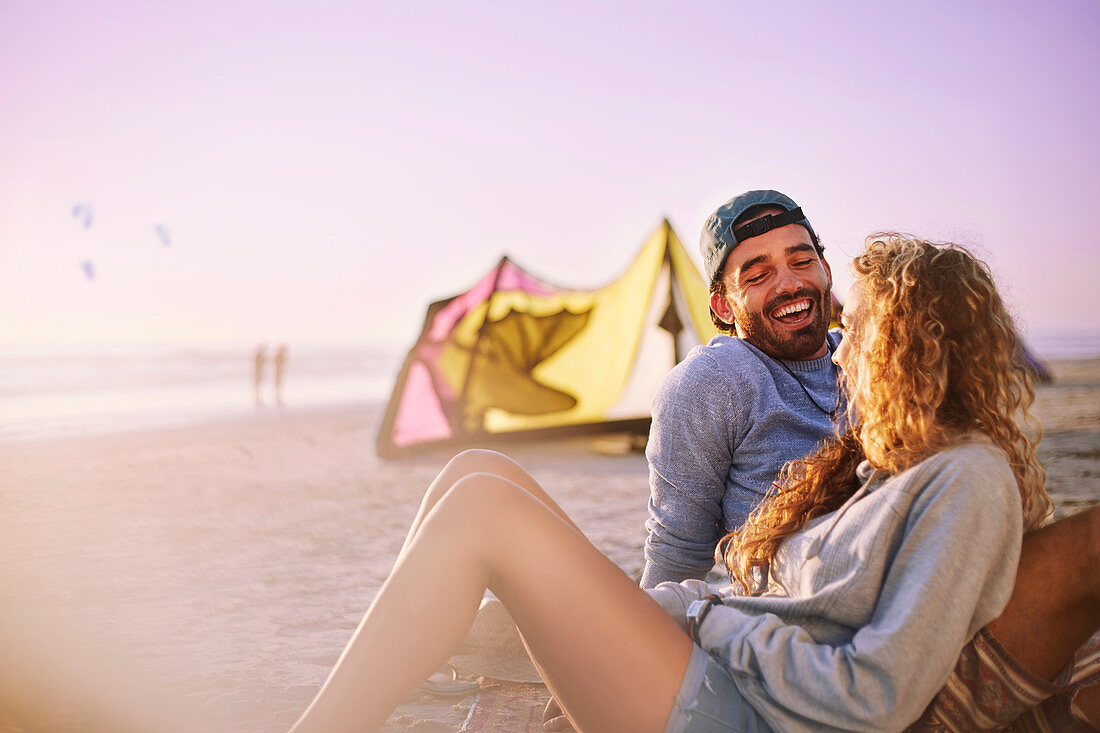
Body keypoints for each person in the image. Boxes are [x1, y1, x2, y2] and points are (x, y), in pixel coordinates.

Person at [289, 236, 1098, 732]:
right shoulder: (898, 465)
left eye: (862, 324)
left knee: (481, 508)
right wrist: (689, 608)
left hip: (746, 714)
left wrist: (706, 619)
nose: (840, 340)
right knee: (479, 467)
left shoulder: (969, 484)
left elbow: (872, 697)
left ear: (908, 343)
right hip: (719, 673)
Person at [642, 190, 847, 588]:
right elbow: (677, 554)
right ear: (723, 307)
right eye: (758, 276)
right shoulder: (715, 383)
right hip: (786, 625)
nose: (789, 285)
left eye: (802, 261)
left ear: (825, 270)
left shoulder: (877, 357)